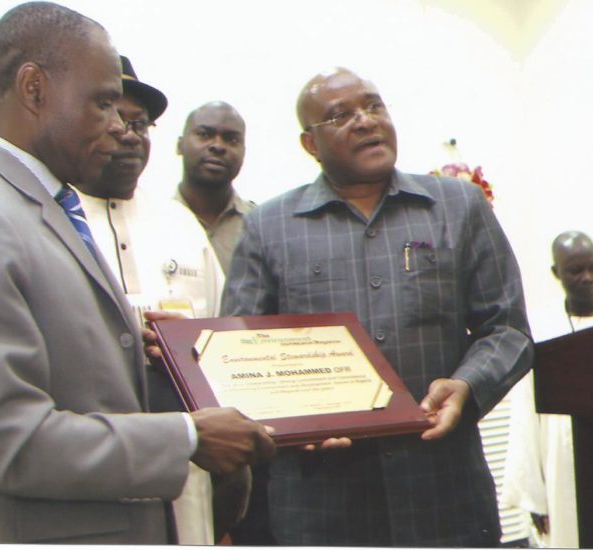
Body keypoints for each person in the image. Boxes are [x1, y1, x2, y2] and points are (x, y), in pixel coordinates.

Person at [0, 2, 274, 544]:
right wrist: (185, 438)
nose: (117, 128)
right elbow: (9, 442)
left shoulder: (46, 206)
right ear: (34, 90)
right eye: (103, 103)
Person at [220, 67, 533, 546]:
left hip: (443, 493)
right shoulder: (269, 227)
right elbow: (237, 353)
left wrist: (468, 385)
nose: (365, 121)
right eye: (340, 115)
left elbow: (507, 329)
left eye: (374, 106)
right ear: (310, 144)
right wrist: (287, 424)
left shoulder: (459, 206)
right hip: (319, 502)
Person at [71, 55, 232, 545]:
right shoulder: (53, 224)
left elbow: (225, 341)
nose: (126, 134)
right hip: (87, 470)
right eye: (112, 117)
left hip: (187, 474)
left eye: (139, 123)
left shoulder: (178, 224)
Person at [502, 230, 593, 548]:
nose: (587, 278)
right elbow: (524, 414)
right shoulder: (540, 331)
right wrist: (535, 498)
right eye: (576, 270)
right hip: (561, 462)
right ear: (556, 273)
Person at [175, 101, 254, 273]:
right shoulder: (154, 221)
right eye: (204, 134)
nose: (218, 146)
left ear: (244, 152)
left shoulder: (261, 227)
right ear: (180, 145)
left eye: (231, 139)